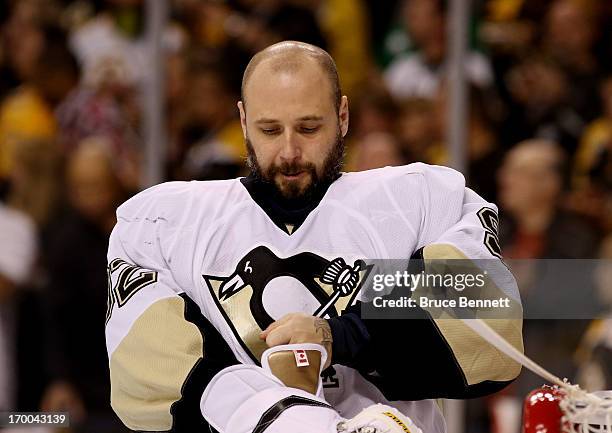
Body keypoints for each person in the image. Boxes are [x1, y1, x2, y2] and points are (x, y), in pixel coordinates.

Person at [105, 41, 523, 433]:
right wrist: (298, 423)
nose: (289, 151)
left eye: (308, 128)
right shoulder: (165, 223)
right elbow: (151, 368)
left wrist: (337, 335)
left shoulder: (421, 199)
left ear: (342, 116)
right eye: (270, 130)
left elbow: (484, 316)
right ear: (243, 120)